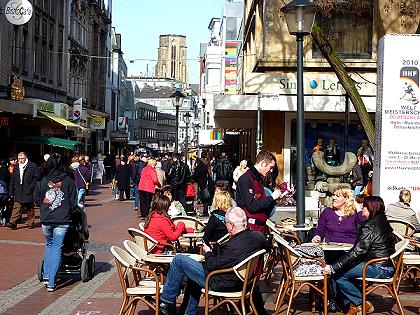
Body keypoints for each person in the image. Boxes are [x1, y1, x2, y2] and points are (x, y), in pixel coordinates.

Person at [158, 207, 269, 315]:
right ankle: (187, 312)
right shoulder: (258, 237)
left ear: (231, 226)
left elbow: (211, 265)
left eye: (226, 223)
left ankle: (166, 302)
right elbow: (267, 247)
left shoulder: (232, 247)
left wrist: (207, 252)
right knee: (192, 272)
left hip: (221, 281)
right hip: (243, 282)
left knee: (178, 260)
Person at [322, 196, 396, 315]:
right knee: (346, 269)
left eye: (364, 207)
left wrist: (332, 267)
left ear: (371, 209)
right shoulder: (382, 220)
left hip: (377, 267)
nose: (362, 210)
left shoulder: (369, 225)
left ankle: (361, 303)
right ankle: (354, 305)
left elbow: (357, 251)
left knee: (338, 275)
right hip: (387, 265)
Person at [34, 153, 77, 292]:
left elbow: (37, 200)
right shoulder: (69, 180)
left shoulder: (42, 179)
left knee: (49, 245)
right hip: (62, 219)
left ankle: (47, 276)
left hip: (46, 218)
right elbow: (73, 202)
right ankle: (52, 282)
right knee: (57, 247)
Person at [236, 150, 285, 233]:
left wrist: (274, 199)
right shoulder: (245, 179)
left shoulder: (259, 179)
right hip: (250, 229)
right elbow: (252, 206)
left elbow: (262, 204)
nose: (271, 170)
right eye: (271, 167)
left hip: (260, 227)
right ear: (262, 163)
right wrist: (272, 197)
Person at [7, 152, 39, 230]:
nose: (20, 160)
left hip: (28, 189)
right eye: (19, 159)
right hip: (18, 189)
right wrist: (11, 190)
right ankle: (12, 222)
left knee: (29, 208)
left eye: (22, 158)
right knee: (16, 207)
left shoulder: (33, 166)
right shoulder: (16, 166)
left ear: (26, 158)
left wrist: (31, 186)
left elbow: (36, 178)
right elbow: (13, 179)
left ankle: (30, 222)